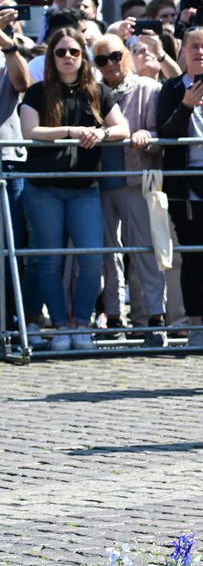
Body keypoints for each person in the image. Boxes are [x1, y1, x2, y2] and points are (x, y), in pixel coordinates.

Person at [19, 27, 129, 351]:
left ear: (83, 57)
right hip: (44, 188)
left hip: (84, 188)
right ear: (51, 58)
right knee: (50, 260)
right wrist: (71, 130)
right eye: (61, 52)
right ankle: (60, 325)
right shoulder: (38, 91)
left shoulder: (96, 91)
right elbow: (30, 130)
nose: (68, 57)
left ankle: (82, 324)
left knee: (92, 257)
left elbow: (122, 128)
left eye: (74, 52)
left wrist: (100, 134)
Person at [155, 27, 203, 347]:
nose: (199, 53)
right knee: (194, 256)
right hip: (185, 185)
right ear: (182, 53)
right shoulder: (171, 88)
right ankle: (196, 325)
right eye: (193, 48)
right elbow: (165, 133)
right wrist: (186, 105)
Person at [93, 34, 166, 343]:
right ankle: (112, 314)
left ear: (125, 55)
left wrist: (145, 135)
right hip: (99, 182)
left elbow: (162, 129)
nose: (110, 64)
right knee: (107, 254)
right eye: (101, 60)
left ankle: (151, 316)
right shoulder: (92, 93)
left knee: (144, 250)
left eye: (115, 56)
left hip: (137, 177)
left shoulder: (148, 88)